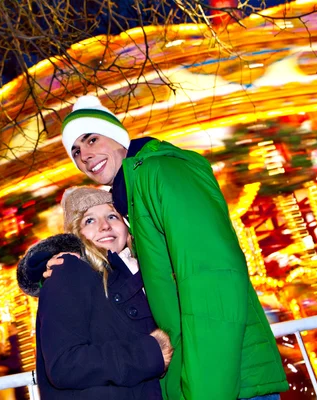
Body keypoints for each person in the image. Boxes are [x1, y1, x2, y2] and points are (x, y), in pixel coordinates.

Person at [55, 95, 288, 400]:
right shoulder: (132, 198)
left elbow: (210, 277)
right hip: (198, 375)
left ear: (117, 136)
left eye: (92, 139)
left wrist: (206, 391)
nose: (85, 155)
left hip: (223, 380)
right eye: (76, 151)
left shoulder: (162, 172)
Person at [17, 186, 173, 399]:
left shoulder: (136, 272)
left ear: (126, 227)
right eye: (89, 220)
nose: (104, 226)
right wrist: (148, 354)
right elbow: (65, 364)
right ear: (75, 234)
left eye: (112, 216)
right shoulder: (68, 270)